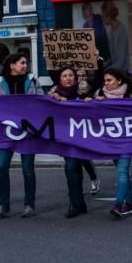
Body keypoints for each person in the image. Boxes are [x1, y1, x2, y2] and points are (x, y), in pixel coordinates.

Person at [0, 54, 43, 220]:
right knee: (1, 166)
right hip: (7, 132)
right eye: (22, 63)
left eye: (26, 63)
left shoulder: (33, 81)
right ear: (12, 65)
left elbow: (42, 100)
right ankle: (3, 206)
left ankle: (29, 205)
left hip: (28, 132)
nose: (25, 66)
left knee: (27, 169)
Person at [95, 68, 132, 219]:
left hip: (128, 139)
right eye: (105, 80)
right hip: (110, 140)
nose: (106, 83)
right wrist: (93, 102)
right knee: (123, 173)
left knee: (121, 172)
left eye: (109, 80)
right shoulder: (100, 95)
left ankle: (118, 205)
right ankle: (131, 205)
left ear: (119, 80)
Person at [49, 66, 92, 219]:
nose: (68, 78)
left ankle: (77, 203)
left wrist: (89, 101)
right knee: (72, 167)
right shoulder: (54, 95)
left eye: (71, 75)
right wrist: (54, 100)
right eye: (64, 75)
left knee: (75, 168)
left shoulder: (84, 93)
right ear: (59, 79)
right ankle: (77, 202)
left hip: (82, 136)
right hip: (65, 137)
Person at [101, 0, 129, 72]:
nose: (102, 19)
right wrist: (104, 64)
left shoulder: (122, 31)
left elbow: (120, 61)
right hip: (115, 72)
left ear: (109, 16)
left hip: (122, 73)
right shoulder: (111, 32)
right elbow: (113, 57)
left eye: (103, 16)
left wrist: (106, 71)